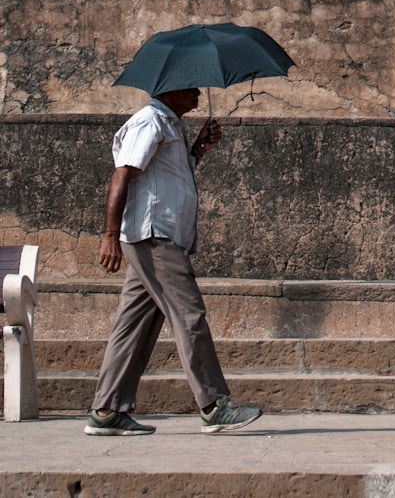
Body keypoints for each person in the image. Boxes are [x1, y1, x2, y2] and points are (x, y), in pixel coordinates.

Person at [85, 87, 262, 436]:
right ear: (169, 92)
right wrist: (109, 235)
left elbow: (168, 177)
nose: (198, 93)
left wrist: (198, 150)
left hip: (160, 237)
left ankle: (106, 410)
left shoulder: (171, 127)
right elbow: (122, 175)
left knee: (134, 324)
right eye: (190, 87)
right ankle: (214, 405)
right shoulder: (149, 122)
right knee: (189, 315)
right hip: (154, 237)